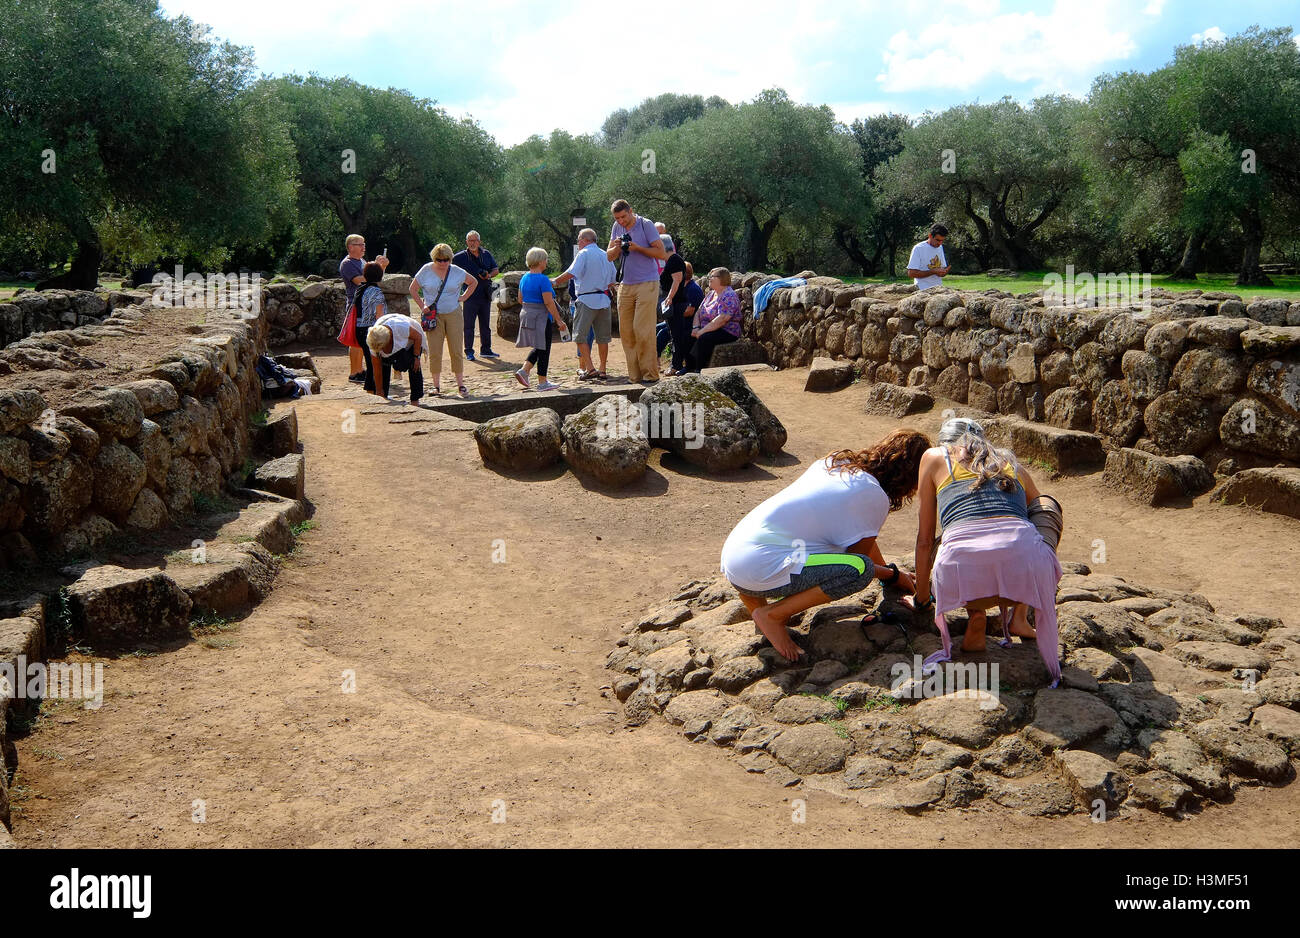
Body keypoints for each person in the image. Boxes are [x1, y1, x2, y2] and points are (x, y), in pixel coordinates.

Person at [721, 429, 931, 661]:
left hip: (735, 556)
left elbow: (861, 535)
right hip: (760, 566)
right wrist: (892, 575)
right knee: (857, 571)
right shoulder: (875, 496)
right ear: (910, 476)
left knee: (809, 546)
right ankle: (772, 615)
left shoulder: (835, 461)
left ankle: (757, 607)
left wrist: (889, 574)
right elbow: (858, 561)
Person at [911, 420, 1065, 687]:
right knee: (1045, 507)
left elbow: (924, 540)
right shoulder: (1009, 461)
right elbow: (1039, 505)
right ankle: (1019, 617)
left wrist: (922, 599)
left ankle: (977, 615)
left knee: (954, 538)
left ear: (945, 444)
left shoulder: (934, 457)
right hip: (1022, 576)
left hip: (961, 581)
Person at [606, 199, 667, 383]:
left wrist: (638, 248)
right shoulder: (617, 226)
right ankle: (634, 376)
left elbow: (661, 253)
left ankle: (650, 375)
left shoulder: (645, 224)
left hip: (647, 282)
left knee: (642, 329)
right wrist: (617, 247)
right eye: (618, 218)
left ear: (631, 211)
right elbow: (609, 256)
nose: (621, 221)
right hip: (625, 284)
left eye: (624, 216)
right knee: (626, 331)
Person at [409, 243, 477, 397]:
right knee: (435, 351)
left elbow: (473, 282)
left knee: (456, 350)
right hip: (433, 316)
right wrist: (422, 306)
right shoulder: (426, 270)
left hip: (454, 314)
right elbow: (412, 289)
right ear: (434, 259)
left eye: (446, 259)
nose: (443, 263)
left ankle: (461, 385)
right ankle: (436, 386)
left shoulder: (457, 271)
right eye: (439, 260)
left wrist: (463, 297)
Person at [552, 228, 617, 381]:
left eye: (579, 240)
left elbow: (571, 272)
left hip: (586, 299)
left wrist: (554, 281)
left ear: (585, 240)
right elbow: (612, 280)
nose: (578, 243)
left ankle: (590, 368)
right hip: (603, 300)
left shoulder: (583, 253)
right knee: (603, 338)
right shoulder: (605, 254)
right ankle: (603, 369)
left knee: (579, 336)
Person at [514, 247, 568, 391]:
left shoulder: (524, 278)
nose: (546, 262)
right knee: (544, 348)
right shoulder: (543, 280)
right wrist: (559, 321)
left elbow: (520, 299)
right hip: (541, 317)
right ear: (540, 261)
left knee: (539, 346)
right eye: (545, 259)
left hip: (527, 315)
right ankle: (542, 382)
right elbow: (548, 302)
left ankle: (524, 371)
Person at [339, 234, 389, 382]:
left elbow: (375, 278)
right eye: (359, 244)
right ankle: (355, 372)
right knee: (356, 340)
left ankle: (359, 370)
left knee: (361, 340)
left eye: (363, 243)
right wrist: (378, 267)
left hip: (366, 304)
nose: (363, 247)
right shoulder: (347, 263)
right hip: (356, 305)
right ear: (350, 247)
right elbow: (359, 280)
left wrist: (381, 267)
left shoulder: (361, 261)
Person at [453, 231, 499, 361]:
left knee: (485, 325)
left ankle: (486, 350)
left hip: (485, 295)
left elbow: (496, 270)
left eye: (474, 240)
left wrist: (488, 275)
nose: (472, 243)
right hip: (469, 296)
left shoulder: (486, 254)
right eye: (469, 240)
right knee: (469, 325)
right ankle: (469, 351)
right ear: (466, 242)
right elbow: (449, 270)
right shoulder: (459, 257)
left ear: (479, 241)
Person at [685, 267, 741, 372]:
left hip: (727, 330)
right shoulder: (711, 294)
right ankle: (688, 368)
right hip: (708, 327)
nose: (709, 279)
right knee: (687, 335)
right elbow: (698, 312)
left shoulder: (729, 295)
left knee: (704, 338)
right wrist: (696, 328)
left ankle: (699, 370)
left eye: (712, 277)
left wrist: (702, 331)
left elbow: (722, 319)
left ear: (722, 279)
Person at [366, 310, 424, 404]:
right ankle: (383, 395)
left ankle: (415, 400)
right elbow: (377, 369)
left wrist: (416, 357)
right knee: (384, 364)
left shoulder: (401, 327)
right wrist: (379, 391)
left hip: (412, 342)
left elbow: (418, 337)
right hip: (393, 343)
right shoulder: (372, 339)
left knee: (414, 366)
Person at [664, 259, 703, 376]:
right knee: (659, 331)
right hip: (679, 320)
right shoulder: (681, 287)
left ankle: (676, 365)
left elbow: (690, 312)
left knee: (678, 335)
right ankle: (658, 360)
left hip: (689, 323)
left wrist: (673, 312)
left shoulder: (693, 289)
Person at [353, 261, 387, 393]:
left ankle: (370, 391)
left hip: (359, 328)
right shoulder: (377, 292)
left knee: (369, 362)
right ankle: (373, 391)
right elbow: (379, 315)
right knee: (375, 363)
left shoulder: (360, 289)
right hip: (371, 330)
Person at [907, 223, 950, 290]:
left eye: (942, 240)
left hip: (938, 289)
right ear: (930, 236)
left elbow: (941, 271)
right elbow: (911, 273)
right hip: (922, 290)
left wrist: (943, 272)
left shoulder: (940, 247)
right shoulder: (918, 248)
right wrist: (933, 271)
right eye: (938, 240)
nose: (940, 243)